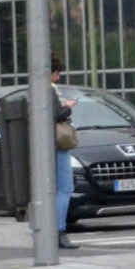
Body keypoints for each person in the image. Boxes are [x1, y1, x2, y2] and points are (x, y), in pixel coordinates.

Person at [50, 62, 80, 251]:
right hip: (57, 144)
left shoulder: (39, 90)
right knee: (65, 188)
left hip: (49, 144)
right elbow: (54, 114)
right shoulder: (49, 90)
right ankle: (59, 231)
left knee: (58, 189)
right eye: (56, 73)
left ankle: (55, 230)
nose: (58, 77)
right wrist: (68, 107)